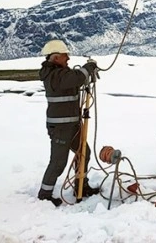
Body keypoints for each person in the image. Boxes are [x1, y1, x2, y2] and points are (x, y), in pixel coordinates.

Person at [37, 39, 101, 207]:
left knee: (83, 153)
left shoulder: (61, 74)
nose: (68, 59)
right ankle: (44, 194)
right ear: (56, 57)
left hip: (72, 125)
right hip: (60, 127)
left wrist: (88, 75)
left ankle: (81, 186)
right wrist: (88, 69)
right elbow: (76, 77)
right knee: (58, 162)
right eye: (66, 56)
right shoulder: (54, 76)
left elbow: (76, 80)